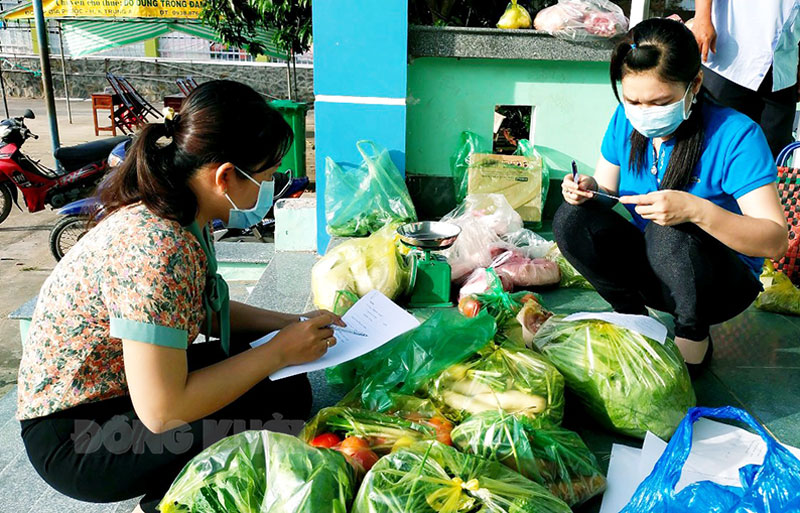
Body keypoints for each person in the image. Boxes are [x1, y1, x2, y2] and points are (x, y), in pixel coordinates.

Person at [16, 80, 344, 513]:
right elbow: (162, 409)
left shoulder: (186, 211)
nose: (270, 188)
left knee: (286, 391)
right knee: (272, 404)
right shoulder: (156, 246)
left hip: (121, 389)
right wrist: (279, 352)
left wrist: (288, 325)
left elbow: (200, 311)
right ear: (224, 176)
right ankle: (166, 503)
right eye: (265, 177)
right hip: (79, 436)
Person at [555, 19, 788, 374]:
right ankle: (634, 320)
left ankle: (692, 340)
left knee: (670, 229)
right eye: (633, 100)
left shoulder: (736, 135)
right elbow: (606, 195)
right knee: (572, 219)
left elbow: (774, 241)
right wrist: (586, 191)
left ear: (694, 84)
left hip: (719, 283)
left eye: (659, 101)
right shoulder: (624, 121)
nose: (643, 113)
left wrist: (695, 209)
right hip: (655, 269)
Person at [691, 0, 800, 157]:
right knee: (712, 150)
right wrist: (702, 17)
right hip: (730, 60)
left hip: (783, 68)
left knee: (772, 157)